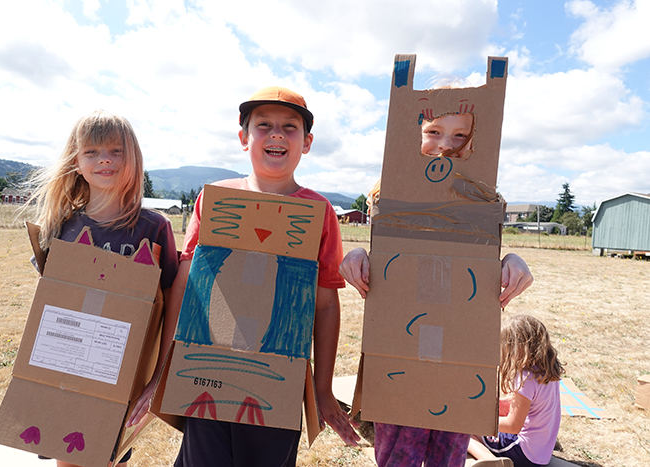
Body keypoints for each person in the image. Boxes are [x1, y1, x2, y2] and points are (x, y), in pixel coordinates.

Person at [128, 86, 361, 466]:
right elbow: (186, 286)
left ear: (307, 142)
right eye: (264, 125)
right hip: (205, 372)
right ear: (243, 138)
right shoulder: (216, 198)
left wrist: (322, 389)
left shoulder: (319, 212)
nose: (276, 134)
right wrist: (162, 373)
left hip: (277, 384)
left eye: (290, 127)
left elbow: (324, 303)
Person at [339, 180, 534, 467]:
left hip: (455, 379)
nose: (444, 145)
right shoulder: (395, 196)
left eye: (458, 135)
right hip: (400, 380)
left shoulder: (474, 196)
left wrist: (509, 260)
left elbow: (480, 254)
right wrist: (360, 253)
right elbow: (388, 254)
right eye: (433, 132)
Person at [30, 110, 180, 467]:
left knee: (110, 458)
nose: (105, 160)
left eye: (116, 150)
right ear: (76, 161)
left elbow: (172, 302)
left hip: (122, 370)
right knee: (66, 455)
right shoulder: (61, 226)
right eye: (92, 152)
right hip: (66, 368)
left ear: (133, 159)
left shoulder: (153, 227)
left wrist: (159, 376)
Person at [467, 314, 564, 467]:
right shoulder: (549, 371)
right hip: (541, 451)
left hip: (524, 452)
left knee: (465, 431)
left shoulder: (525, 377)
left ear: (519, 347)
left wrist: (479, 421)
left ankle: (493, 462)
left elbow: (513, 426)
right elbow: (530, 405)